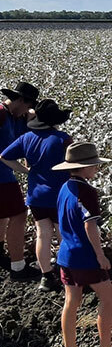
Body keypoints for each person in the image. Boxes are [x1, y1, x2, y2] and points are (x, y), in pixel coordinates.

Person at [52, 142, 112, 347]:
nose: (96, 169)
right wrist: (100, 255)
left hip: (66, 254)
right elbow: (90, 227)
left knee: (71, 302)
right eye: (94, 166)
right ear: (85, 167)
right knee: (108, 297)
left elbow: (60, 222)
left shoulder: (63, 188)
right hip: (85, 255)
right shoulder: (87, 192)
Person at [1, 99, 72, 292]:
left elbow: (4, 156)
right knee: (63, 234)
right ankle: (67, 272)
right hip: (59, 194)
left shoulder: (27, 138)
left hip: (36, 195)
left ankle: (46, 277)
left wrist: (25, 171)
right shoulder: (62, 139)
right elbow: (74, 165)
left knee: (43, 234)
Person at [0, 81, 39, 280]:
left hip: (5, 175)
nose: (28, 110)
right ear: (21, 100)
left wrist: (31, 117)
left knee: (3, 215)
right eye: (27, 105)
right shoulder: (0, 113)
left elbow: (25, 142)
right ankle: (18, 267)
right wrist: (25, 170)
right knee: (19, 214)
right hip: (2, 177)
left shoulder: (16, 118)